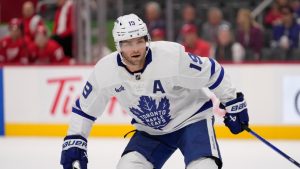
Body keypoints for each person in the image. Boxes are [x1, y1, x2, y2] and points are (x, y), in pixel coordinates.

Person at [60, 14, 249, 169]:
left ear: (147, 40)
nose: (134, 49)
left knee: (204, 167)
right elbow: (85, 108)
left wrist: (233, 102)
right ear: (118, 45)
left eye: (139, 41)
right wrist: (76, 138)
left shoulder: (171, 57)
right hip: (150, 130)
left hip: (191, 120)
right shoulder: (105, 71)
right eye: (127, 43)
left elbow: (212, 71)